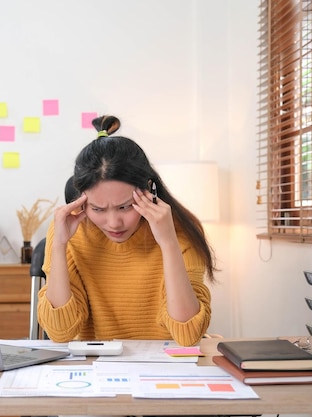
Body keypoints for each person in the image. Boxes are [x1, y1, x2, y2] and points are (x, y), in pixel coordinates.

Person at [37, 115, 217, 347]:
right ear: (81, 200)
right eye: (98, 208)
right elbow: (59, 333)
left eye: (125, 206)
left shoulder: (179, 229)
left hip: (165, 369)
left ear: (149, 190)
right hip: (96, 371)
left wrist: (168, 243)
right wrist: (59, 245)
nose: (114, 223)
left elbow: (188, 334)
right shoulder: (69, 229)